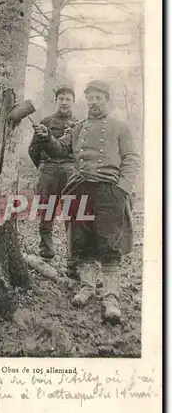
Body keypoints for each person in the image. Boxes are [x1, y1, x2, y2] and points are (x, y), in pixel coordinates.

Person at [32, 80, 141, 324]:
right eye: (90, 98)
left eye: (98, 98)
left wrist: (122, 188)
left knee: (109, 244)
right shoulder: (78, 128)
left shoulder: (119, 128)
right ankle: (87, 287)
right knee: (82, 241)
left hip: (109, 191)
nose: (93, 103)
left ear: (107, 101)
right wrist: (47, 136)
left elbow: (132, 159)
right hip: (79, 190)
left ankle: (111, 298)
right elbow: (59, 150)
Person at [28, 85, 76, 264]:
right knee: (46, 213)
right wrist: (43, 167)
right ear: (56, 101)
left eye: (68, 99)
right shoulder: (46, 122)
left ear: (73, 102)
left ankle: (73, 257)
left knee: (72, 213)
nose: (64, 102)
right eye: (61, 98)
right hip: (48, 171)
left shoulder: (79, 123)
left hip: (70, 172)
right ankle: (46, 254)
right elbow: (33, 149)